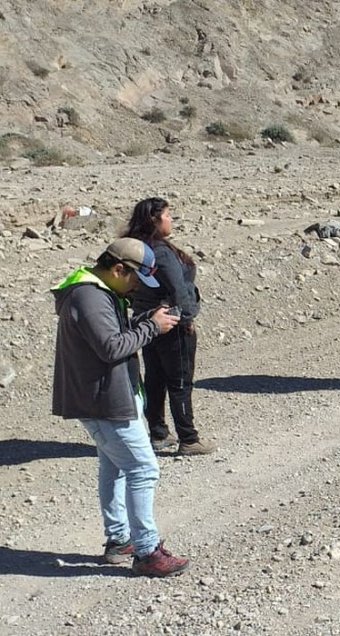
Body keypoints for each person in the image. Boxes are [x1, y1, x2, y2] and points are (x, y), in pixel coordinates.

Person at [52, 237, 190, 577]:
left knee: (113, 467)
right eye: (134, 280)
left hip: (107, 397)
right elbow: (111, 347)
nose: (135, 289)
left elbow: (110, 335)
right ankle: (146, 552)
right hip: (104, 402)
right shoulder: (89, 296)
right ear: (118, 269)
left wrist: (144, 319)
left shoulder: (98, 292)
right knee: (144, 469)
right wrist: (151, 327)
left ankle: (119, 541)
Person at [124, 198, 216, 455]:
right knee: (180, 382)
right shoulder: (160, 251)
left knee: (155, 379)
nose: (171, 220)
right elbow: (178, 290)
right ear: (155, 219)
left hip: (149, 323)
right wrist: (185, 320)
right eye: (168, 215)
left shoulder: (136, 247)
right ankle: (189, 439)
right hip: (173, 323)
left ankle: (158, 433)